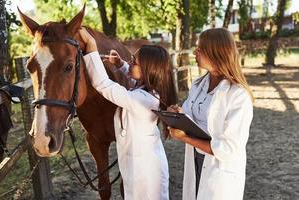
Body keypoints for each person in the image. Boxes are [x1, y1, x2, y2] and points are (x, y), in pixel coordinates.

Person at [79, 28, 176, 200]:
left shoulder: (142, 100)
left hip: (146, 172)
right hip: (137, 165)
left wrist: (92, 49)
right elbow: (133, 80)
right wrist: (120, 65)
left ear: (148, 70)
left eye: (134, 62)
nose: (129, 63)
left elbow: (104, 85)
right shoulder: (147, 90)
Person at [167, 28, 254, 200]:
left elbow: (229, 149)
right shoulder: (199, 84)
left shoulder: (238, 95)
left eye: (200, 49)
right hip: (196, 160)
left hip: (220, 170)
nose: (195, 52)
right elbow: (191, 115)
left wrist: (185, 138)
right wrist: (178, 114)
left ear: (216, 53)